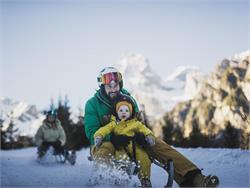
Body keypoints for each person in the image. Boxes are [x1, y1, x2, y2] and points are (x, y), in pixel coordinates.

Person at [84, 67, 219, 187]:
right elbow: (91, 132)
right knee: (105, 148)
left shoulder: (127, 99)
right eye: (109, 86)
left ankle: (195, 179)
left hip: (130, 139)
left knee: (156, 143)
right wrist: (112, 137)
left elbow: (138, 122)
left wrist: (142, 135)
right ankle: (102, 182)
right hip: (104, 141)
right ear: (102, 87)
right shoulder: (92, 104)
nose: (113, 89)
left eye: (116, 85)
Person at [94, 94, 155, 187]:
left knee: (144, 158)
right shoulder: (114, 123)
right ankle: (121, 178)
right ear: (117, 112)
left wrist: (149, 136)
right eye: (121, 110)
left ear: (130, 112)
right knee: (122, 160)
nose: (124, 112)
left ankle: (145, 179)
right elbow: (104, 129)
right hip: (121, 147)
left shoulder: (135, 123)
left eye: (127, 110)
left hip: (135, 147)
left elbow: (144, 129)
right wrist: (99, 136)